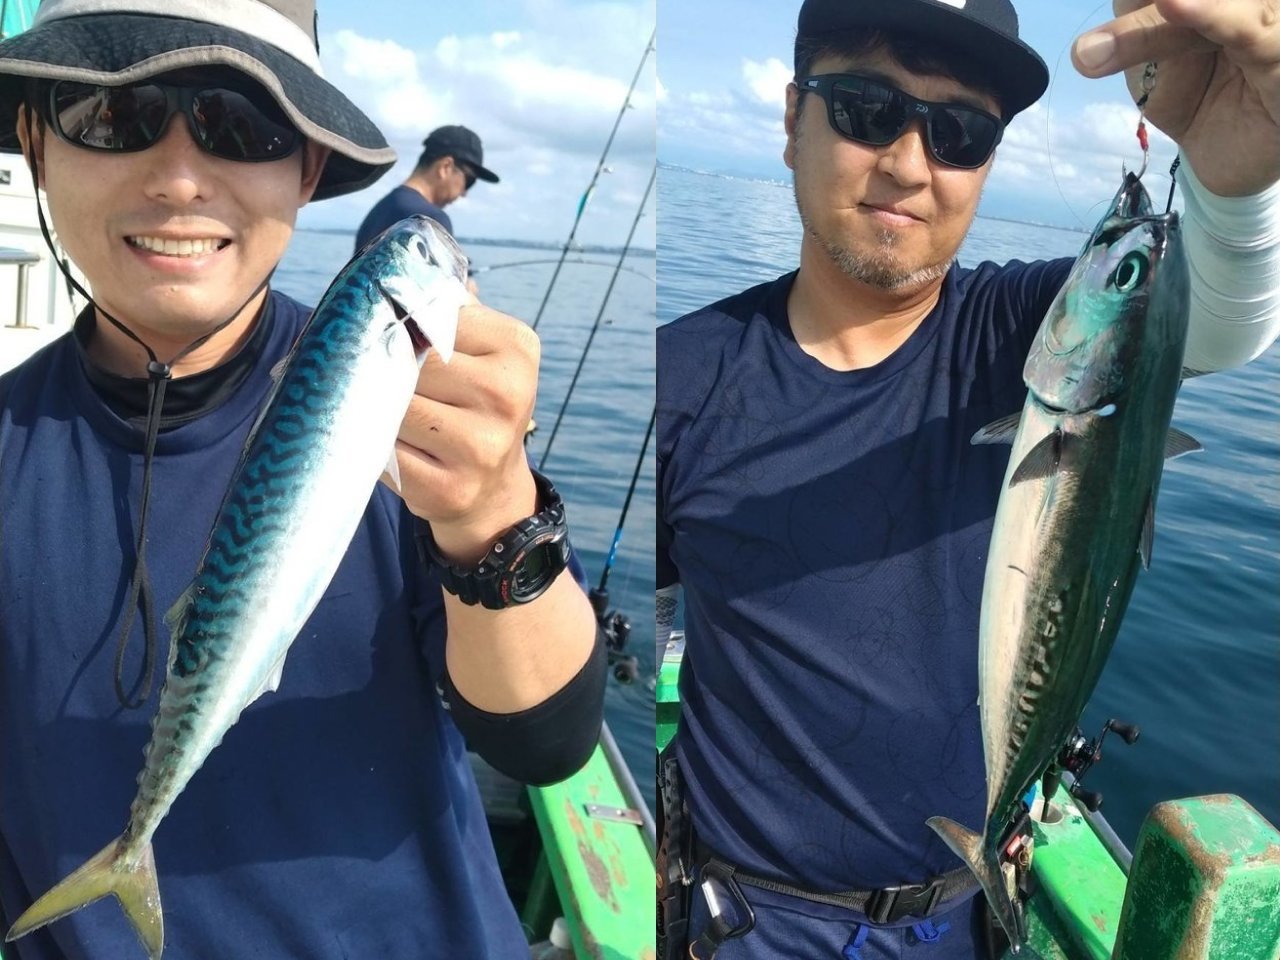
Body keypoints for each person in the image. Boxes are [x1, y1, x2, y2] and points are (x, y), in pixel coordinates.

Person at [656, 1, 1280, 958]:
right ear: (791, 119)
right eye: (866, 108)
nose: (909, 165)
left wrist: (1235, 190)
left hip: (964, 917)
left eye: (960, 132)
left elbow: (1208, 322)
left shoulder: (1027, 334)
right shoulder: (682, 377)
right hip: (743, 921)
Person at [0, 2, 603, 958]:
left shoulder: (402, 410)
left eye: (242, 125)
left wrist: (496, 512)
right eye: (113, 115)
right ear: (35, 140)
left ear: (308, 167)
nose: (180, 178)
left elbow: (547, 742)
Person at [353, 124, 499, 251]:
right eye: (469, 181)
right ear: (446, 167)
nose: (464, 193)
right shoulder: (430, 222)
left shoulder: (380, 210)